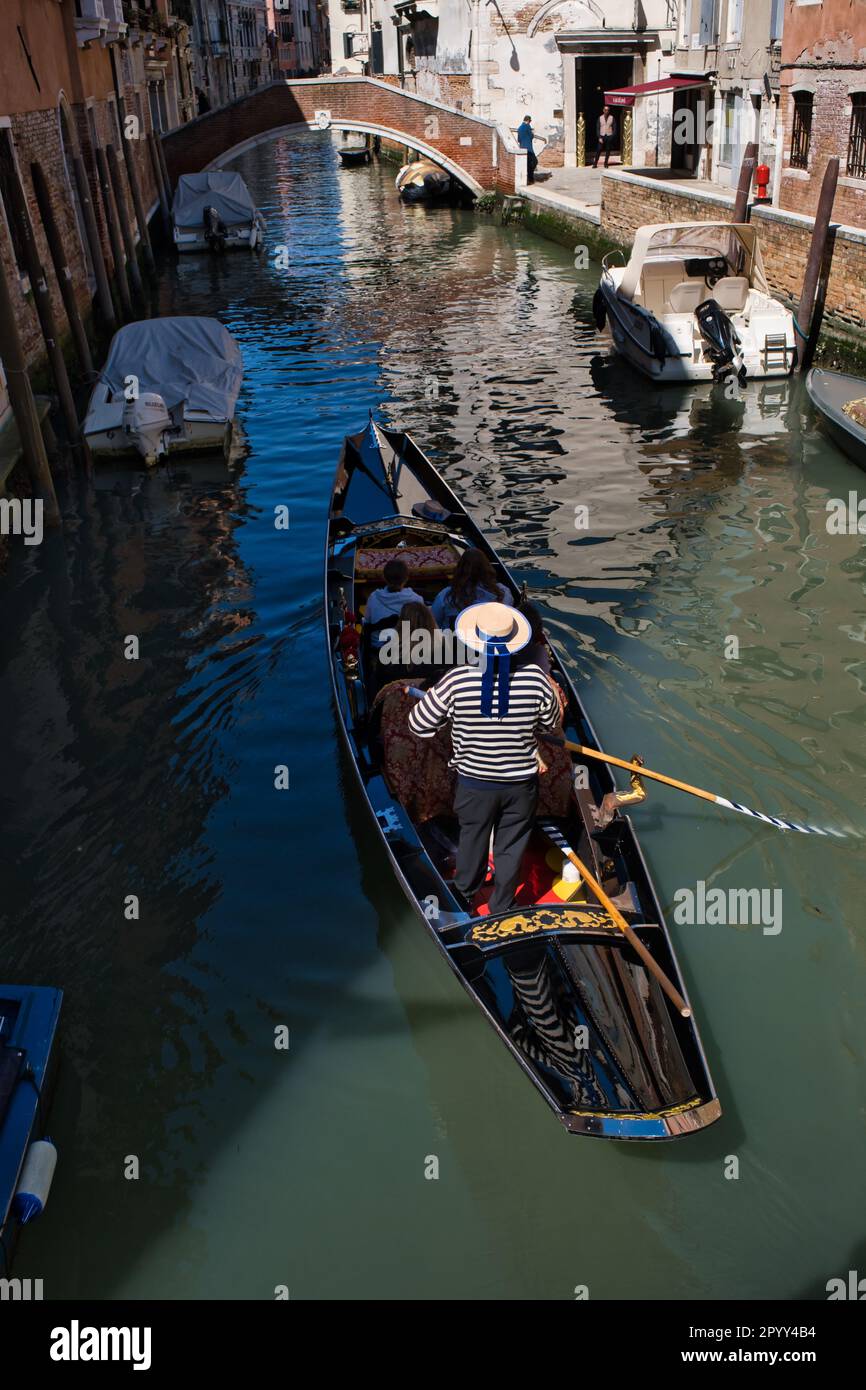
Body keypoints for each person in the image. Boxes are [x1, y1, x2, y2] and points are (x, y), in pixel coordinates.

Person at [409, 601, 559, 916]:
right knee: (511, 845)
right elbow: (550, 724)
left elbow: (418, 725)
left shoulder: (456, 680)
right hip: (520, 784)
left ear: (475, 640)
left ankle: (464, 896)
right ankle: (502, 904)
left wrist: (451, 717)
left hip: (474, 784)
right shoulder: (535, 678)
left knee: (474, 838)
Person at [431, 548, 512, 630]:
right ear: (487, 568)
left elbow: (434, 623)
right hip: (488, 639)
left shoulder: (446, 594)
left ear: (460, 570)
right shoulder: (503, 592)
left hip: (454, 641)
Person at [363, 558, 425, 637]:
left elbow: (367, 624)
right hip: (408, 648)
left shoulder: (373, 598)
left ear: (384, 577)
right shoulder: (418, 600)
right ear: (406, 579)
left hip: (377, 648)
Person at [517, 115, 538, 185]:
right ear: (528, 121)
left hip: (522, 148)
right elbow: (531, 136)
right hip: (529, 149)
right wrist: (532, 133)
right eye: (530, 121)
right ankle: (530, 179)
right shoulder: (527, 126)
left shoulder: (519, 128)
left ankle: (528, 178)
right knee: (534, 162)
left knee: (527, 164)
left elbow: (519, 140)